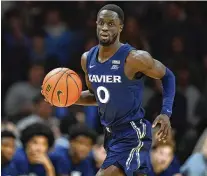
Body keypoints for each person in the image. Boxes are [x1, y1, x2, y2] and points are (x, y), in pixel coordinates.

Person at [43, 4, 175, 176]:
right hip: (111, 134)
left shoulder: (134, 58)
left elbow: (168, 76)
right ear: (96, 24)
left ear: (121, 27)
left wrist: (165, 112)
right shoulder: (87, 59)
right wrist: (64, 98)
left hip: (132, 132)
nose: (105, 28)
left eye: (111, 23)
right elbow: (96, 97)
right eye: (101, 23)